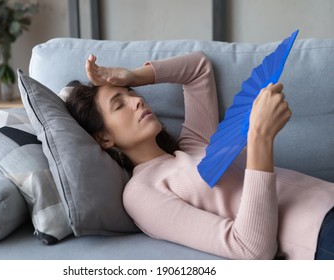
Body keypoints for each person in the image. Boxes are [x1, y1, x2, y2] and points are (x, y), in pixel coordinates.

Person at [63, 52, 334, 260]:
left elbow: (198, 69)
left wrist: (132, 76)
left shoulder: (194, 143)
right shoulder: (140, 193)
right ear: (104, 138)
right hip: (320, 232)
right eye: (119, 105)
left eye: (131, 94)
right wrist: (260, 139)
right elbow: (250, 249)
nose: (137, 100)